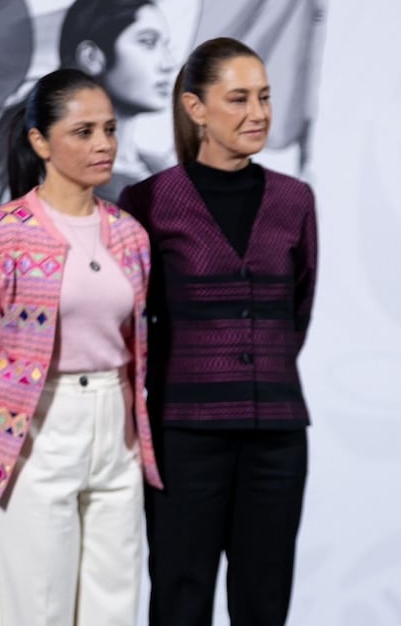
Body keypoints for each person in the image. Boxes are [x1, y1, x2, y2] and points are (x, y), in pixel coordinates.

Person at [0, 68, 161, 625]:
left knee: (113, 609)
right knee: (35, 611)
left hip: (116, 434)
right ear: (40, 142)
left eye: (110, 129)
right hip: (32, 433)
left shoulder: (130, 235)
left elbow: (139, 344)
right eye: (83, 131)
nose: (104, 145)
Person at [119, 37, 318, 626]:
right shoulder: (148, 201)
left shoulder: (295, 199)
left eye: (264, 97)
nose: (258, 113)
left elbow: (296, 310)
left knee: (264, 601)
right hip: (184, 437)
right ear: (195, 108)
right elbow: (135, 320)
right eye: (238, 99)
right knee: (180, 598)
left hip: (277, 438)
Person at [60, 0, 178, 203]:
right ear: (92, 57)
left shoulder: (163, 171)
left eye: (166, 46)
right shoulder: (53, 176)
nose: (168, 63)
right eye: (147, 42)